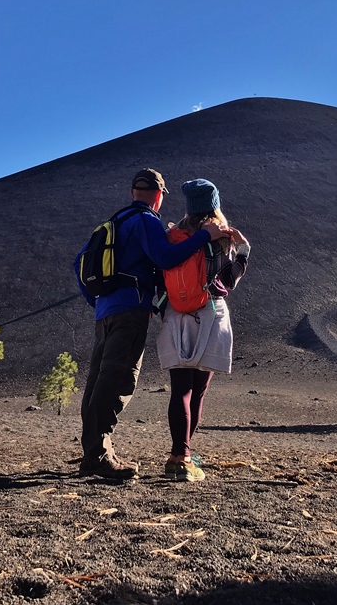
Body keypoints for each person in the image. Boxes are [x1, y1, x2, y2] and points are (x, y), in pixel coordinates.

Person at [74, 169, 226, 479]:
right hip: (131, 310)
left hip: (105, 310)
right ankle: (99, 456)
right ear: (158, 196)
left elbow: (79, 262)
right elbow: (166, 257)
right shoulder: (146, 220)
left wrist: (97, 301)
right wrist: (204, 236)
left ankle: (93, 452)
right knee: (117, 381)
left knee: (97, 381)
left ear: (132, 192)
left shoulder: (113, 222)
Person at [156, 179, 250, 482]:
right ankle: (182, 457)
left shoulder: (172, 236)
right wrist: (244, 251)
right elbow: (227, 282)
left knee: (179, 390)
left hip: (175, 314)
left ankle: (179, 454)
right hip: (210, 313)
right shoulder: (222, 238)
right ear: (215, 204)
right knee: (197, 391)